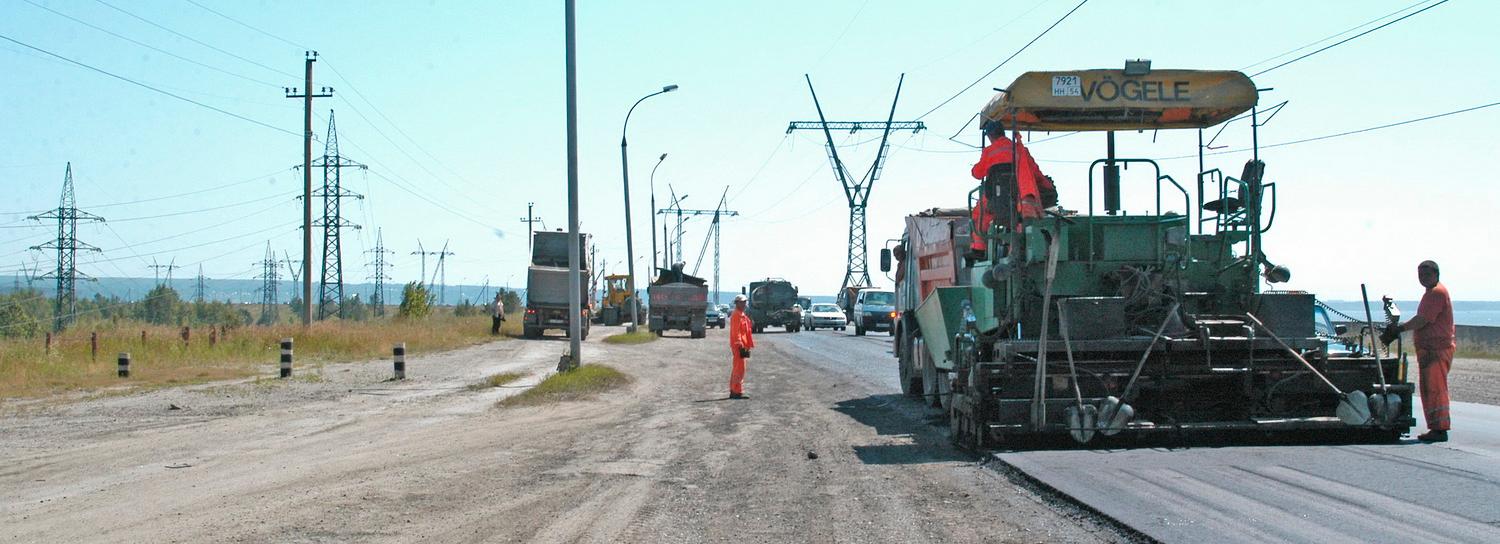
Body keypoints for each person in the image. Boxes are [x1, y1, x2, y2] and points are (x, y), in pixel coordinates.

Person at [1381, 260, 1454, 442]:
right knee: (1429, 389)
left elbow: (1422, 319)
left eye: (1427, 274)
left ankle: (1440, 429)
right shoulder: (1430, 293)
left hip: (1436, 349)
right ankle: (1435, 427)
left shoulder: (1436, 293)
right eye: (1420, 275)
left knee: (1435, 389)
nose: (1423, 278)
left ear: (1436, 274)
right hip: (1429, 350)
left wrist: (1400, 329)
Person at [969, 120, 1057, 254]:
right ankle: (1020, 243)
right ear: (1003, 132)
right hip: (1021, 199)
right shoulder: (1020, 150)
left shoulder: (989, 152)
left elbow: (977, 173)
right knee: (1021, 219)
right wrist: (1047, 185)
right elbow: (1034, 171)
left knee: (979, 214)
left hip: (997, 199)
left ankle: (979, 250)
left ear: (990, 136)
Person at [729, 294, 756, 399]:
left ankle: (736, 390)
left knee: (739, 368)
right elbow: (736, 332)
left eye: (745, 302)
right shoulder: (737, 315)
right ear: (737, 303)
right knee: (739, 369)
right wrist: (739, 344)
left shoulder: (741, 314)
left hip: (742, 345)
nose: (744, 304)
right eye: (742, 302)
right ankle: (736, 391)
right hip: (739, 346)